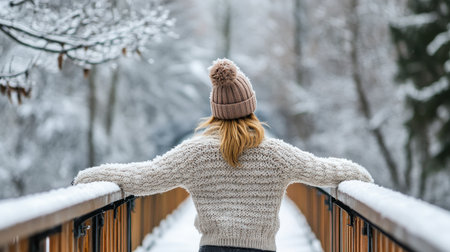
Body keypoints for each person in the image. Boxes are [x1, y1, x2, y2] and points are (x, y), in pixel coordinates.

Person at [73, 58, 373, 252]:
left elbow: (144, 176)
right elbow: (323, 170)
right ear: (251, 108)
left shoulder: (194, 153)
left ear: (215, 111)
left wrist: (93, 175)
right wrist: (360, 175)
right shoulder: (276, 154)